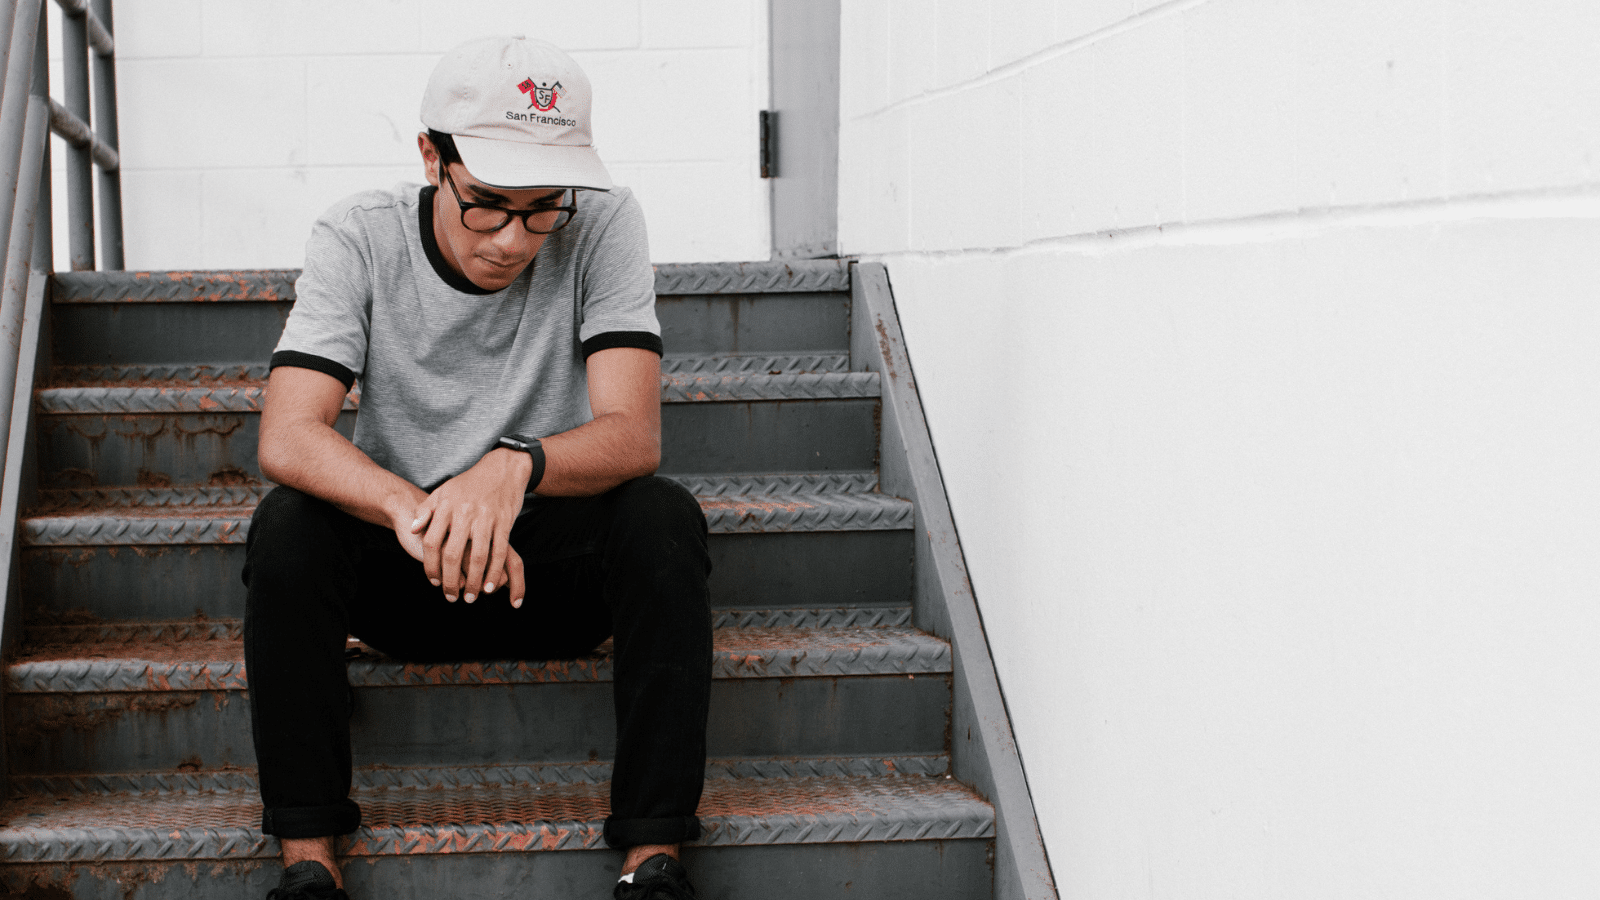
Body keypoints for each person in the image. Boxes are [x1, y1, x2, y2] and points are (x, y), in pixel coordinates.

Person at [243, 35, 712, 900]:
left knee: (662, 517)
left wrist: (514, 466)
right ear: (432, 157)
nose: (513, 240)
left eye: (542, 210)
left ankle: (652, 860)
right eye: (488, 205)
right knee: (288, 528)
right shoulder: (359, 235)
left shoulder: (603, 219)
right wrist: (416, 508)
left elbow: (633, 434)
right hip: (408, 568)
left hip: (548, 578)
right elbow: (288, 436)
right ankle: (309, 866)